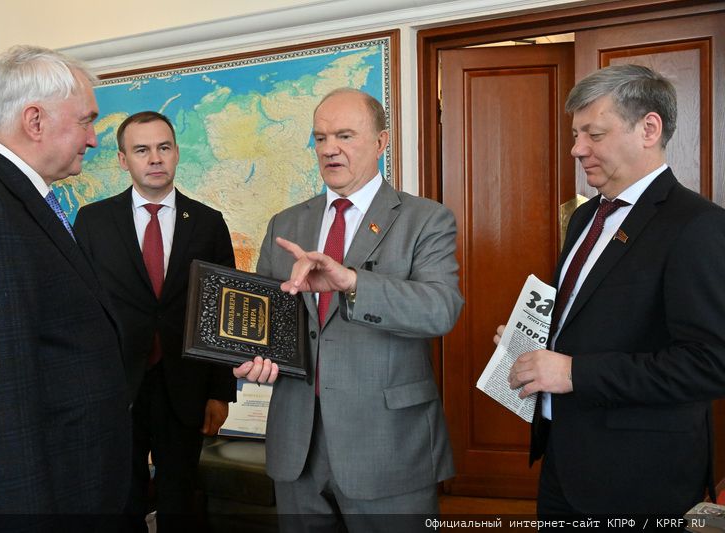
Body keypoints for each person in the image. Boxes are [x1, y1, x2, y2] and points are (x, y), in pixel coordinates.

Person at [500, 64, 725, 519]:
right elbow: (591, 315)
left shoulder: (697, 225)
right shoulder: (585, 217)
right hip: (564, 458)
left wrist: (574, 373)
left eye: (594, 134)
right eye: (576, 134)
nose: (576, 148)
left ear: (649, 129)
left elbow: (711, 363)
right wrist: (532, 339)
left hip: (639, 476)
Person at [233, 87, 463, 532]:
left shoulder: (425, 219)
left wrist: (353, 283)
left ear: (380, 142)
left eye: (344, 135)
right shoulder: (286, 223)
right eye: (320, 138)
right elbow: (268, 323)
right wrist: (250, 357)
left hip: (387, 446)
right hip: (297, 445)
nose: (329, 149)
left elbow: (440, 310)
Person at [0, 45, 131, 526]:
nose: (94, 138)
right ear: (35, 121)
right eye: (86, 121)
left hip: (72, 483)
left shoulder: (11, 197)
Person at [74, 111, 237, 532]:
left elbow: (223, 315)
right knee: (119, 499)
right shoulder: (93, 221)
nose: (155, 158)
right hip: (115, 388)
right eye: (142, 150)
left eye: (163, 147)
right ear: (123, 159)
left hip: (185, 386)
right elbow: (81, 312)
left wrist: (220, 393)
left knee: (179, 500)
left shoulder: (208, 223)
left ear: (177, 153)